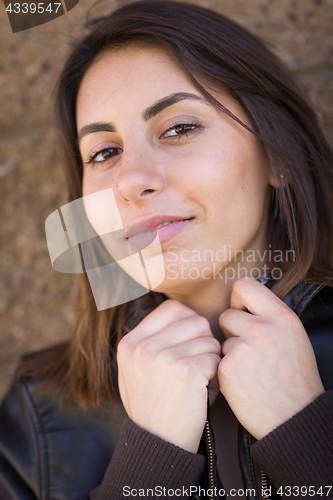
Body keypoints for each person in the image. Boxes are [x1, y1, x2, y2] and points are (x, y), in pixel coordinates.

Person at [0, 1, 333, 499]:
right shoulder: (40, 413)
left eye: (179, 128)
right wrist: (147, 466)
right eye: (104, 153)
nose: (132, 180)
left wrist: (308, 443)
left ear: (278, 154)